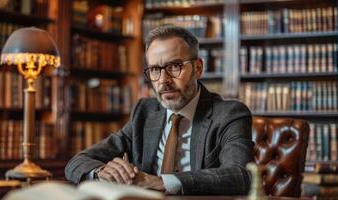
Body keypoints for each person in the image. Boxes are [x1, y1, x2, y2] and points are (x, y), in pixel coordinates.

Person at [65, 25, 254, 195]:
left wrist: (162, 182)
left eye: (174, 66)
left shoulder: (229, 114)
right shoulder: (145, 113)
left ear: (197, 68)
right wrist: (101, 172)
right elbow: (77, 162)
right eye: (155, 69)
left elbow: (241, 175)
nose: (163, 80)